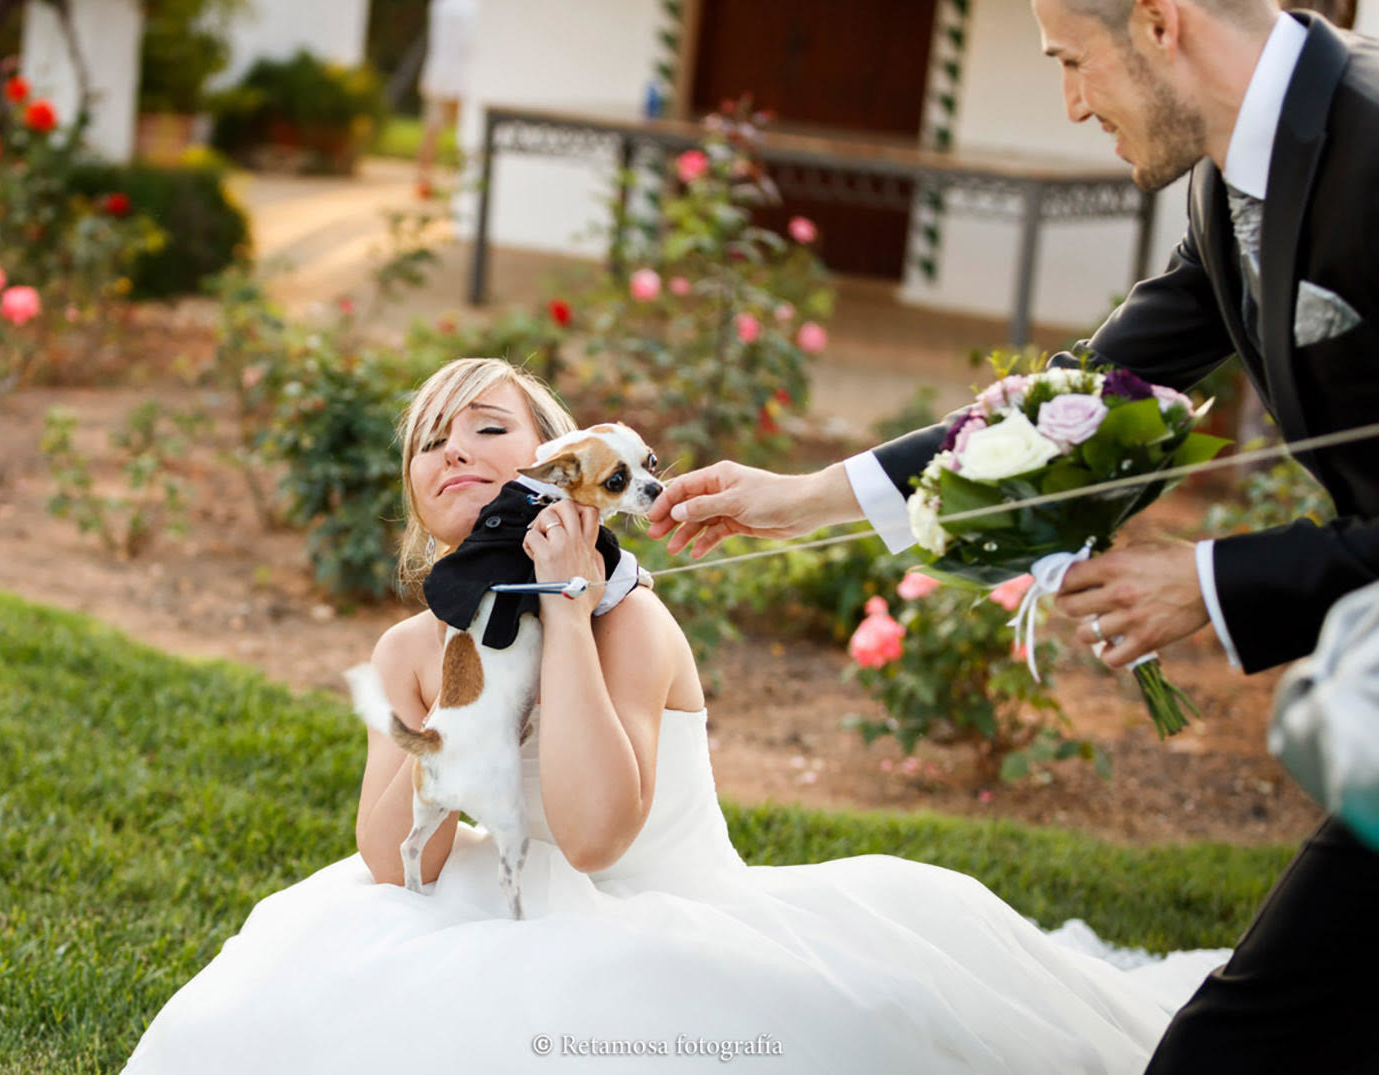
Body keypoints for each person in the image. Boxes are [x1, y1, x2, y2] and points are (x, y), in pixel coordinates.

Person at [120, 358, 1226, 1073]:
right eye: (430, 440)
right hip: (496, 901)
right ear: (416, 490)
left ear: (562, 470)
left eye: (487, 428)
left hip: (655, 910)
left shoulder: (629, 623)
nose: (452, 448)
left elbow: (597, 835)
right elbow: (393, 862)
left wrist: (561, 608)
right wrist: (461, 678)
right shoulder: (412, 649)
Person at [647, 4, 1379, 1072]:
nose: (1073, 104)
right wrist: (804, 498)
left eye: (1074, 62)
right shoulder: (1228, 182)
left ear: (1159, 22)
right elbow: (1074, 396)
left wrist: (1216, 579)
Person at [415, 0, 477, 197]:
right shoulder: (472, 6)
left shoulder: (442, 5)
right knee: (467, 132)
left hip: (439, 73)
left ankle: (423, 179)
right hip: (461, 75)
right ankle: (463, 181)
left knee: (431, 131)